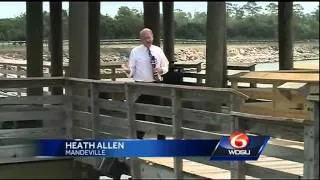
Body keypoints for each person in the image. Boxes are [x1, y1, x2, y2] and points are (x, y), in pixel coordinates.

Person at [121, 28, 169, 140]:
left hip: (155, 85)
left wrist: (161, 70)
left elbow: (166, 66)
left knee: (158, 114)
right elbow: (132, 69)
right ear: (141, 40)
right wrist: (128, 71)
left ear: (153, 37)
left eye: (150, 37)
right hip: (140, 87)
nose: (149, 40)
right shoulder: (135, 51)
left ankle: (161, 140)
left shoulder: (158, 50)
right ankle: (138, 140)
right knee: (139, 114)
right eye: (146, 38)